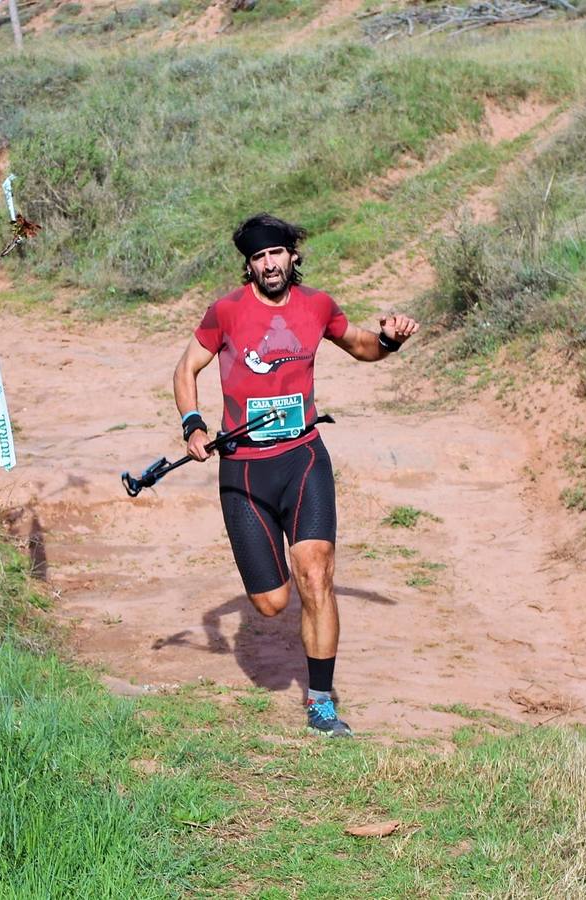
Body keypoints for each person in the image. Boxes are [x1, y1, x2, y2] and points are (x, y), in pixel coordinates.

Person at [173, 213, 419, 737]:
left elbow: (362, 347)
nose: (269, 264)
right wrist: (193, 424)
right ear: (249, 265)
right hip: (243, 470)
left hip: (303, 458)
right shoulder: (226, 312)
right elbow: (185, 368)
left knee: (318, 575)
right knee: (271, 603)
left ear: (293, 256)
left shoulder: (318, 307)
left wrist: (390, 340)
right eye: (259, 257)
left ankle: (321, 703)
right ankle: (276, 593)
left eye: (277, 253)